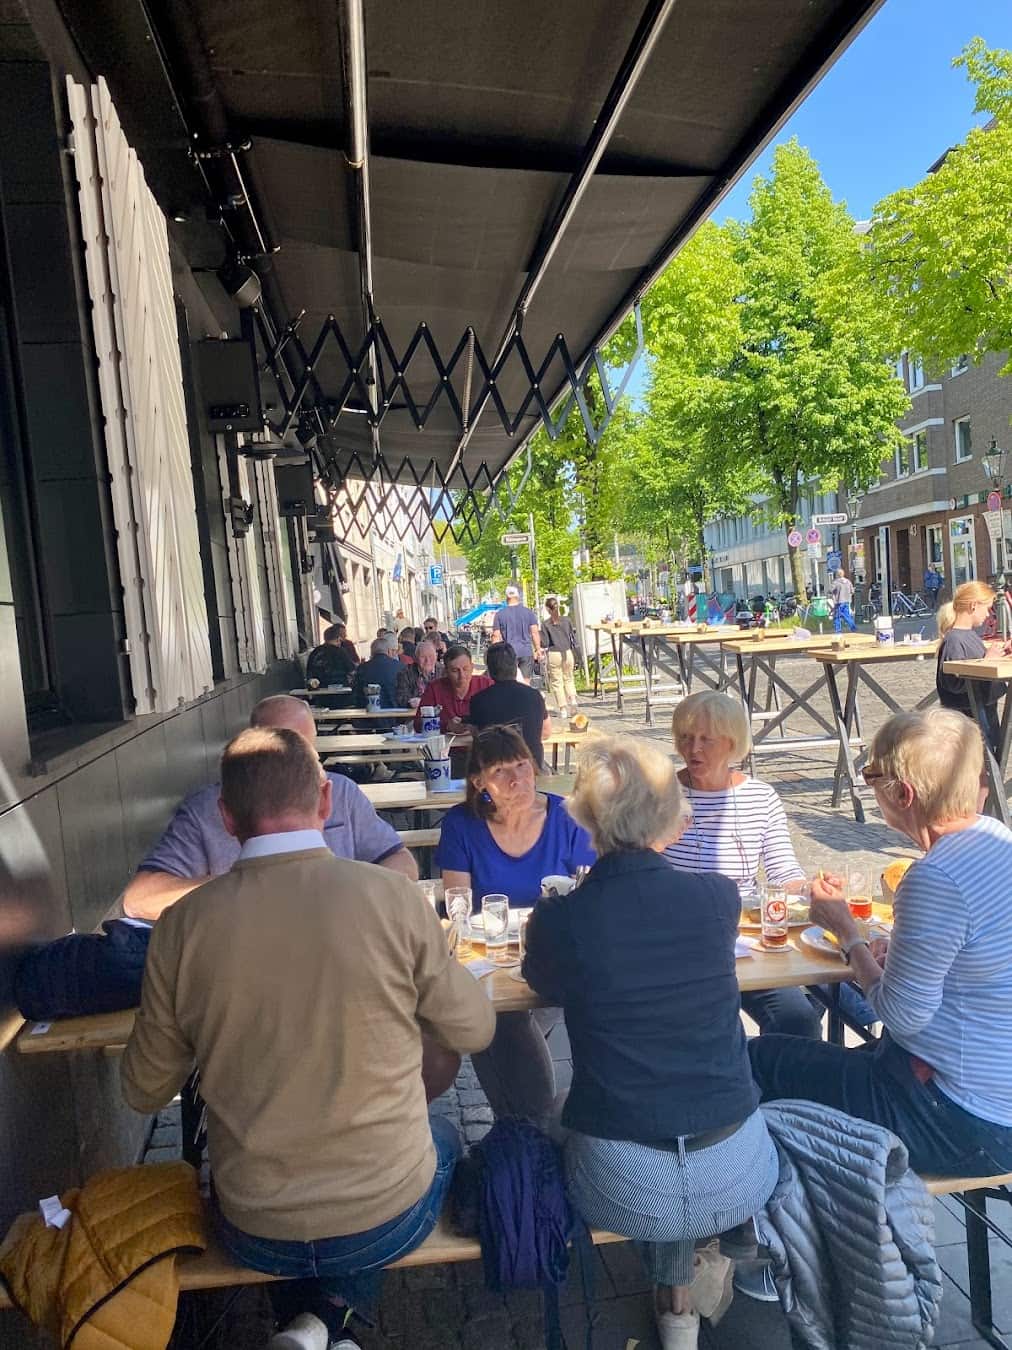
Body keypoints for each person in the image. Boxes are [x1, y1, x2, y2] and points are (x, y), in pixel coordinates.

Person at [121, 726, 495, 1350]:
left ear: (225, 816)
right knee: (445, 1139)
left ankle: (311, 1325)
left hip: (253, 1222)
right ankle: (329, 1320)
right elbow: (476, 1030)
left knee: (296, 1220)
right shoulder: (392, 898)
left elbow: (142, 1090)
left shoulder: (181, 927)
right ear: (325, 802)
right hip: (384, 1216)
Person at [524, 736, 779, 1350]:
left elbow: (542, 984)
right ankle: (682, 1301)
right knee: (694, 1095)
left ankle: (675, 1306)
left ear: (585, 819)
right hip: (735, 1170)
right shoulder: (716, 898)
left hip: (617, 1177)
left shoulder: (562, 918)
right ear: (671, 817)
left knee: (565, 1114)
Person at [749, 708, 1012, 1177]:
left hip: (966, 1121)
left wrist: (848, 935)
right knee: (816, 1062)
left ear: (902, 794)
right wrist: (895, 958)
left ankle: (761, 1218)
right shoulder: (998, 841)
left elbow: (902, 1014)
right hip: (988, 1098)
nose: (867, 784)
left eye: (871, 774)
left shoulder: (936, 876)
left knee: (758, 1060)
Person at [122, 696, 416, 922]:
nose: (292, 766)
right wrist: (245, 890)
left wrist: (348, 895)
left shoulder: (342, 793)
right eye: (280, 751)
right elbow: (138, 899)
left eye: (304, 752)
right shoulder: (204, 810)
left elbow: (402, 863)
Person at [436, 725, 595, 1120]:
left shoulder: (566, 817)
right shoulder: (461, 825)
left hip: (554, 958)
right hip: (493, 957)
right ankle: (529, 1125)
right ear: (479, 783)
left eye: (522, 766)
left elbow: (590, 894)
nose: (516, 779)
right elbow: (458, 907)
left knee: (502, 1026)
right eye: (500, 771)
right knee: (499, 1019)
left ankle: (524, 1128)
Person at [665, 691, 823, 1039]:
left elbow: (784, 872)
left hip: (745, 940)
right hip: (679, 940)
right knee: (712, 1027)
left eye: (707, 740)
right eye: (686, 738)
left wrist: (813, 890)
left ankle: (785, 1092)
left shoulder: (760, 797)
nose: (693, 750)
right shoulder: (660, 794)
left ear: (732, 743)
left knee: (797, 1019)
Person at [936, 580, 1010, 755]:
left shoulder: (969, 635)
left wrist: (998, 653)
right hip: (968, 717)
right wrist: (987, 661)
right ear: (973, 606)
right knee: (981, 763)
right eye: (987, 609)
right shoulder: (954, 639)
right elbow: (953, 681)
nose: (988, 615)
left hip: (983, 709)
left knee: (992, 758)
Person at [468, 643, 551, 768]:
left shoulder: (478, 700)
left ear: (489, 671)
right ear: (515, 666)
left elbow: (477, 737)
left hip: (496, 772)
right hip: (531, 768)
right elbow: (546, 732)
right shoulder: (535, 696)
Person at [414, 644, 492, 734]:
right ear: (446, 671)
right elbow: (418, 724)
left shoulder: (486, 685)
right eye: (455, 671)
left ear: (472, 667)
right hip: (446, 746)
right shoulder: (435, 688)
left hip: (479, 745)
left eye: (465, 669)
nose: (461, 675)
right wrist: (446, 726)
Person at [540, 597, 580, 717]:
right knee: (569, 677)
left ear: (547, 608)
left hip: (554, 653)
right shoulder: (566, 620)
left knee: (557, 682)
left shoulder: (545, 624)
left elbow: (545, 643)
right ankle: (572, 699)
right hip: (567, 652)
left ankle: (563, 709)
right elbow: (572, 638)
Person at [491, 586, 542, 677]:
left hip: (508, 653)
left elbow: (496, 636)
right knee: (525, 682)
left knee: (510, 681)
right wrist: (538, 649)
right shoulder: (528, 612)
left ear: (506, 597)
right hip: (526, 651)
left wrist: (495, 654)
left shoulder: (499, 615)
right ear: (518, 596)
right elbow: (534, 632)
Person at [351, 635, 402, 709]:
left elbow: (356, 694)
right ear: (388, 651)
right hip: (396, 715)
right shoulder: (400, 667)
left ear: (372, 653)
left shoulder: (362, 668)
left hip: (368, 715)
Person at [395, 639, 441, 708]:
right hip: (414, 715)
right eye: (423, 657)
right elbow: (400, 698)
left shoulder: (444, 671)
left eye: (431, 656)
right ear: (415, 658)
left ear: (436, 656)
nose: (427, 660)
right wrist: (410, 702)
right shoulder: (405, 673)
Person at [830, 568, 857, 633]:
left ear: (837, 575)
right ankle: (853, 628)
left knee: (837, 616)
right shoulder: (848, 581)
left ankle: (838, 631)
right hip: (847, 601)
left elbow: (830, 590)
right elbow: (852, 591)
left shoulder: (836, 582)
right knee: (847, 615)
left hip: (839, 602)